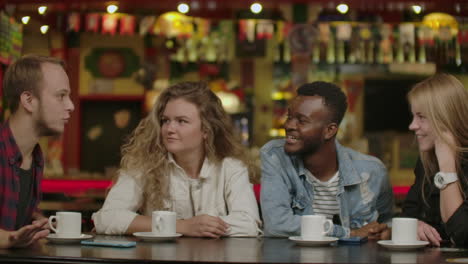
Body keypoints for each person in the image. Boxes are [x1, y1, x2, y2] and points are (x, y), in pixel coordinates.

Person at [92, 81, 261, 237]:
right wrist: (183, 226)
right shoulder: (144, 164)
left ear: (206, 130)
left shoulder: (231, 168)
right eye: (165, 120)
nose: (169, 129)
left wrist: (202, 226)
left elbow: (248, 223)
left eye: (181, 121)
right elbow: (106, 217)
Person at [260, 81, 393, 239]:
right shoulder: (275, 156)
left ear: (329, 130)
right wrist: (349, 233)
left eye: (301, 121)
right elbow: (277, 224)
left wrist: (386, 231)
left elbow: (387, 221)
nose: (288, 125)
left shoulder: (372, 171)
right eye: (289, 117)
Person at [0, 54, 75, 248]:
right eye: (61, 95)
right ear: (29, 100)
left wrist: (38, 222)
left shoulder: (35, 156)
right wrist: (10, 239)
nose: (71, 106)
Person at [402, 73, 468, 247]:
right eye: (413, 116)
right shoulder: (427, 158)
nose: (412, 126)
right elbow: (407, 214)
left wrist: (447, 165)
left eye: (421, 117)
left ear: (446, 118)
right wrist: (414, 226)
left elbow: (463, 236)